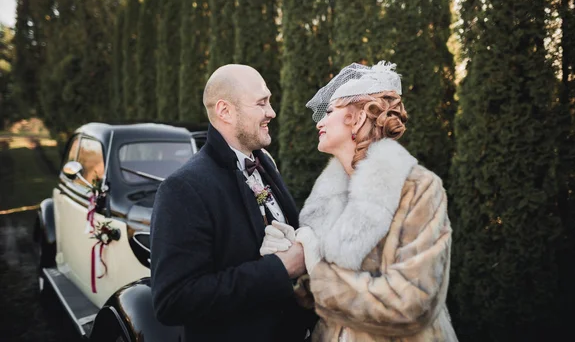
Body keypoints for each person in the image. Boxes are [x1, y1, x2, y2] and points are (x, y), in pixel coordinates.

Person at [260, 61, 458, 341]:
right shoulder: (329, 195)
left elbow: (412, 304)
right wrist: (284, 261)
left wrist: (318, 270)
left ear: (360, 117)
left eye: (329, 111)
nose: (319, 121)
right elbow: (310, 299)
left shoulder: (419, 190)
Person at [150, 64, 317, 341]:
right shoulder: (183, 188)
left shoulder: (263, 162)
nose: (272, 112)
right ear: (224, 111)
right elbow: (173, 300)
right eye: (261, 103)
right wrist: (280, 269)